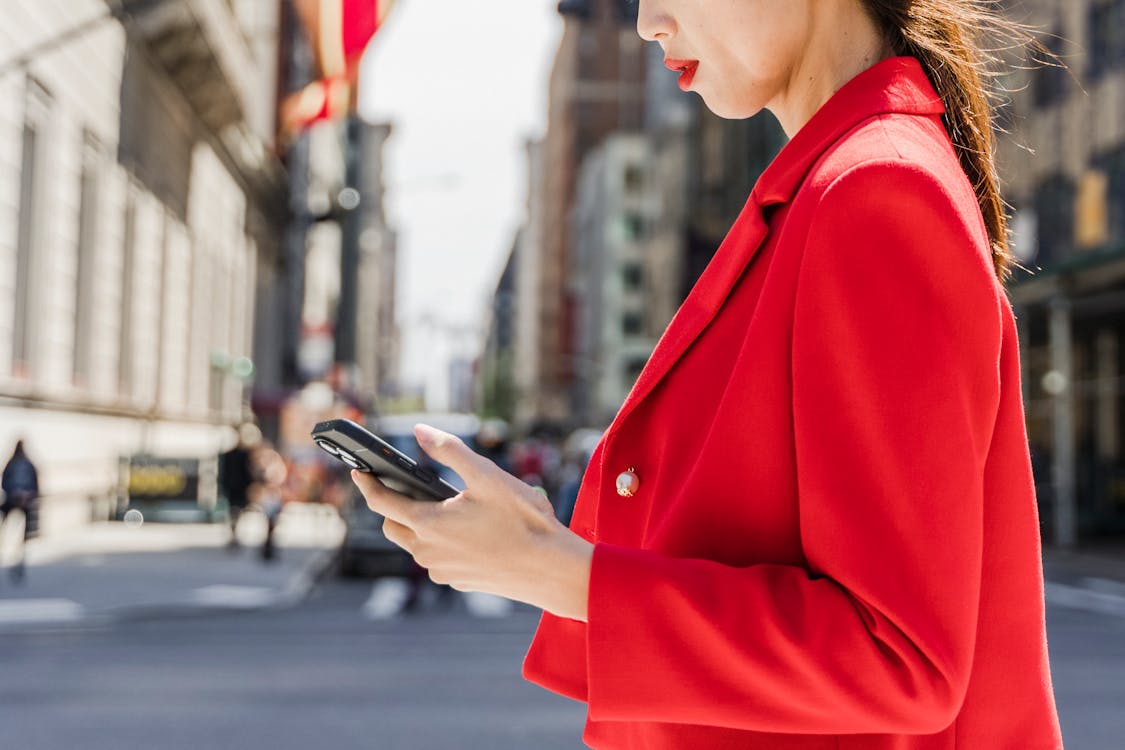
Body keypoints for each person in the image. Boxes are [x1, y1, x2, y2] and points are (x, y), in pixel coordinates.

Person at [350, 1, 1064, 747]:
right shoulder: (829, 189)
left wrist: (555, 571)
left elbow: (896, 661)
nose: (646, 23)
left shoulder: (875, 190)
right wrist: (541, 549)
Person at [1, 439, 39, 583]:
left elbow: (35, 483)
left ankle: (20, 548)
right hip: (14, 498)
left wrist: (27, 495)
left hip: (23, 499)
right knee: (6, 522)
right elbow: (5, 481)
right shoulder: (15, 463)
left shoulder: (25, 464)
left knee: (25, 528)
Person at [218, 424, 258, 550]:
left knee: (236, 512)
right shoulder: (234, 454)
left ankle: (235, 534)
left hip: (238, 487)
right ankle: (234, 534)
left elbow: (248, 472)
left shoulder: (244, 454)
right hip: (235, 487)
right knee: (235, 512)